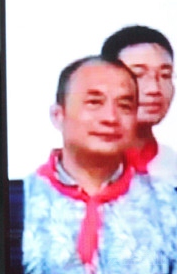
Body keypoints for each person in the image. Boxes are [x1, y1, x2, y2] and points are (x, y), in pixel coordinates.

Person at [22, 55, 177, 273]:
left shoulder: (168, 203)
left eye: (124, 106)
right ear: (58, 115)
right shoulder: (20, 198)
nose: (110, 118)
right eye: (94, 103)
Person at [101, 25, 177, 186]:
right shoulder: (79, 169)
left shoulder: (171, 168)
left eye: (165, 75)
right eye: (138, 75)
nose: (154, 89)